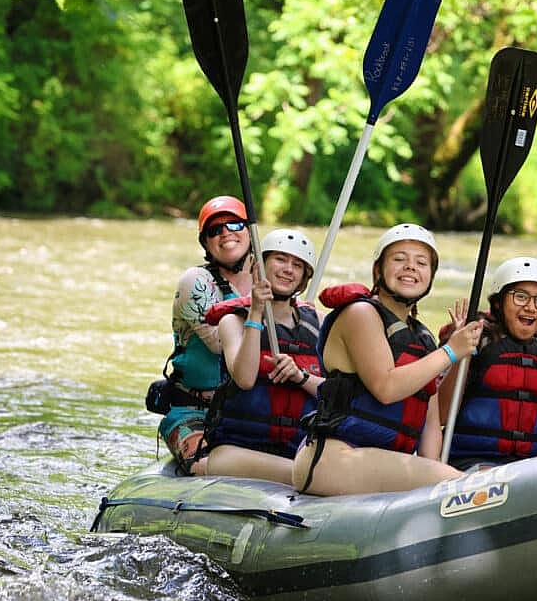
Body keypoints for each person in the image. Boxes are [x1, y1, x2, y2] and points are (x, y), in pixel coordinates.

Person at [292, 224, 483, 496]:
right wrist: (451, 351)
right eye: (399, 259)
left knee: (451, 482)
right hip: (334, 459)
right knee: (460, 484)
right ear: (378, 271)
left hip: (386, 462)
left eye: (421, 263)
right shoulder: (360, 313)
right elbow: (386, 387)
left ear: (431, 276)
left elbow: (431, 424)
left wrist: (434, 489)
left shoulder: (423, 340)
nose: (411, 267)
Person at [440, 256, 537, 470]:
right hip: (470, 464)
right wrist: (461, 354)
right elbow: (440, 415)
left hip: (532, 469)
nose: (531, 307)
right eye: (520, 297)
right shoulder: (475, 341)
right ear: (498, 302)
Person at [201, 228, 323, 485]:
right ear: (259, 266)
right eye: (280, 259)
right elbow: (245, 379)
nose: (288, 269)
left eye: (297, 265)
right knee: (313, 474)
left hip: (298, 449)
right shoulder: (233, 320)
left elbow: (336, 394)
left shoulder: (319, 324)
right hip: (238, 452)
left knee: (319, 468)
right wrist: (256, 311)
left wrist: (301, 377)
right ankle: (309, 478)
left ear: (304, 278)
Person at [154, 195, 253, 475]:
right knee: (204, 465)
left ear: (249, 232)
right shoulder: (196, 282)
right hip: (196, 411)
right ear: (206, 243)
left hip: (252, 412)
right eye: (215, 230)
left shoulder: (270, 278)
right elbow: (222, 344)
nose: (226, 233)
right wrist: (259, 306)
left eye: (234, 224)